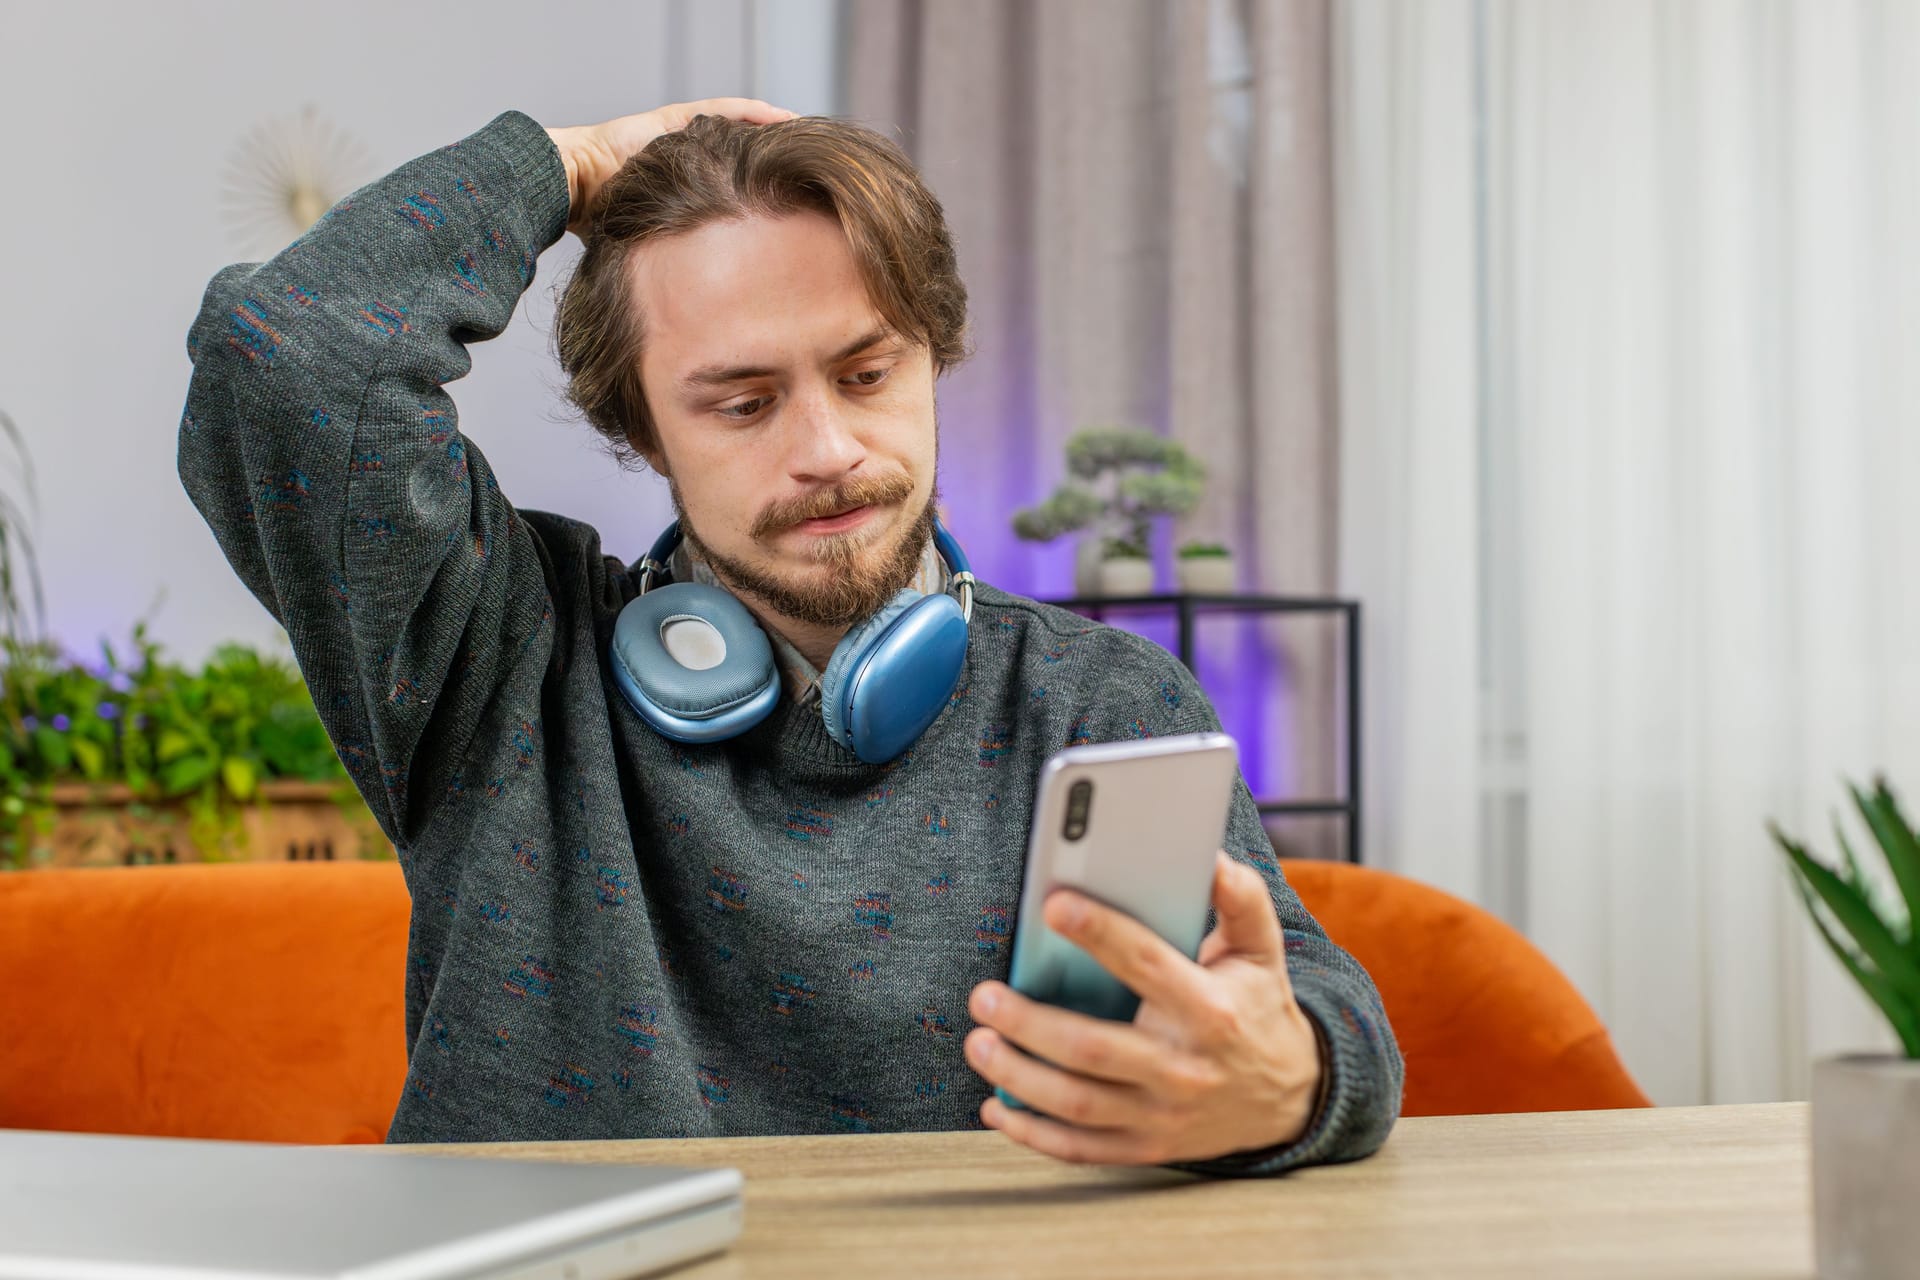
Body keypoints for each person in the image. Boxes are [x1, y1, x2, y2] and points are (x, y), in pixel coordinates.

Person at [178, 98, 1402, 1174]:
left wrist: (1291, 1076)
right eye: (746, 402)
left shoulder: (1098, 699)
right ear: (645, 431)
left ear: (935, 360)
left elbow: (1318, 1010)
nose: (827, 449)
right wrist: (572, 162)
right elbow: (281, 358)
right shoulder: (493, 653)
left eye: (869, 374)